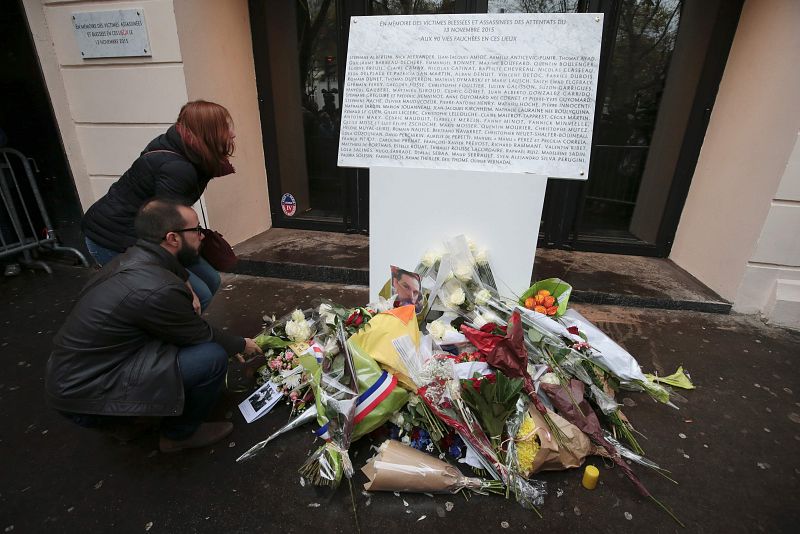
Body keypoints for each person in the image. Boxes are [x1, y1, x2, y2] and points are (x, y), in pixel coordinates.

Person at [46, 200, 263, 453]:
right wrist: (240, 344)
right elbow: (199, 335)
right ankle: (179, 435)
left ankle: (129, 421)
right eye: (196, 229)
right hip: (85, 392)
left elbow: (177, 295)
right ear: (172, 238)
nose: (202, 235)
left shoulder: (133, 258)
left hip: (75, 380)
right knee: (211, 357)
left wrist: (186, 285)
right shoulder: (157, 288)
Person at [81, 100, 237, 312]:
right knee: (194, 297)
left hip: (151, 231)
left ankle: (184, 326)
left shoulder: (185, 147)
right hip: (114, 238)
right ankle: (179, 331)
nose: (232, 134)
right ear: (206, 132)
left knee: (211, 280)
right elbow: (162, 231)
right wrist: (185, 284)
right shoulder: (176, 168)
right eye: (225, 128)